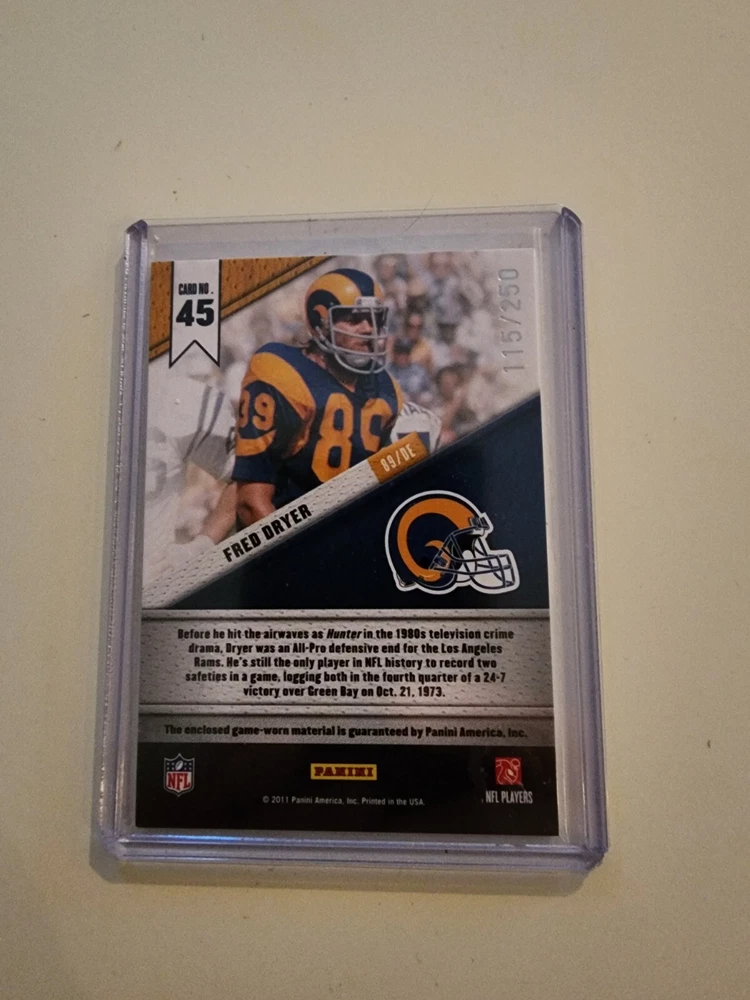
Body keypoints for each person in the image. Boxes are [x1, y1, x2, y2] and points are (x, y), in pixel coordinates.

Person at [233, 268, 403, 526]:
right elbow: (251, 502)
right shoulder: (282, 374)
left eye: (374, 318)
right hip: (286, 536)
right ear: (320, 324)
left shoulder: (386, 388)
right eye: (354, 318)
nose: (368, 328)